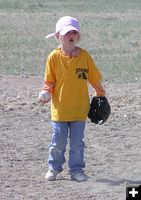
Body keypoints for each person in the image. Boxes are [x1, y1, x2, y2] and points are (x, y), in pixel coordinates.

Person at [39, 16, 106, 182]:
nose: (71, 35)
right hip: (60, 110)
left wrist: (100, 93)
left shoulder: (84, 57)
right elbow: (49, 81)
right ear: (58, 36)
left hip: (79, 108)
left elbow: (93, 77)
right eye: (67, 32)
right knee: (58, 143)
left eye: (74, 32)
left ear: (78, 36)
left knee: (77, 144)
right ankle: (54, 168)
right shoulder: (53, 57)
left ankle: (76, 170)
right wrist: (46, 92)